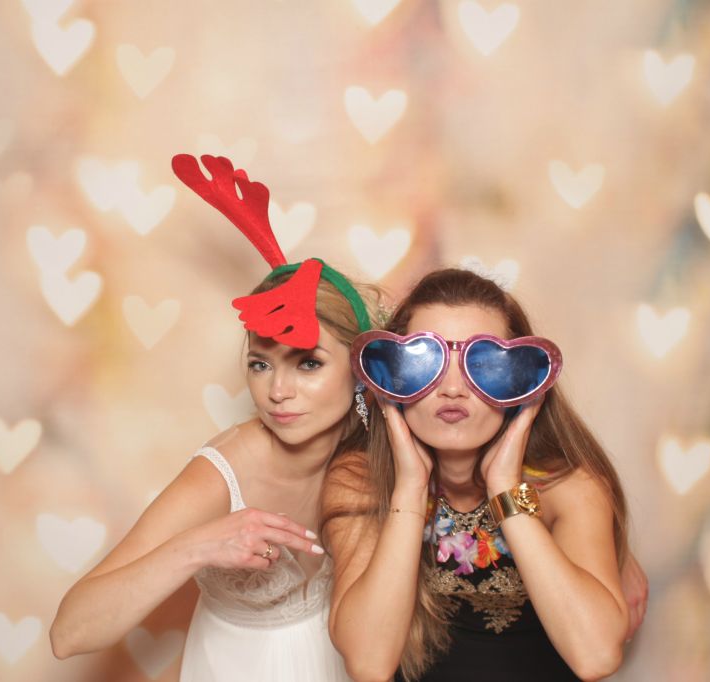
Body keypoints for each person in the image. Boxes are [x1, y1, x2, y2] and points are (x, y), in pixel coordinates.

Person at [49, 154, 376, 681]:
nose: (277, 391)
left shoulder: (378, 452)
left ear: (361, 369)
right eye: (260, 364)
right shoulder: (223, 474)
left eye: (308, 363)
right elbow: (70, 633)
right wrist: (198, 545)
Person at [323, 268, 640, 681]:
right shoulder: (359, 479)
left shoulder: (567, 485)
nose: (452, 389)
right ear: (392, 378)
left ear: (523, 381)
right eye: (427, 363)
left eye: (483, 364)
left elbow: (596, 656)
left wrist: (505, 490)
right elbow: (369, 664)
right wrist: (410, 489)